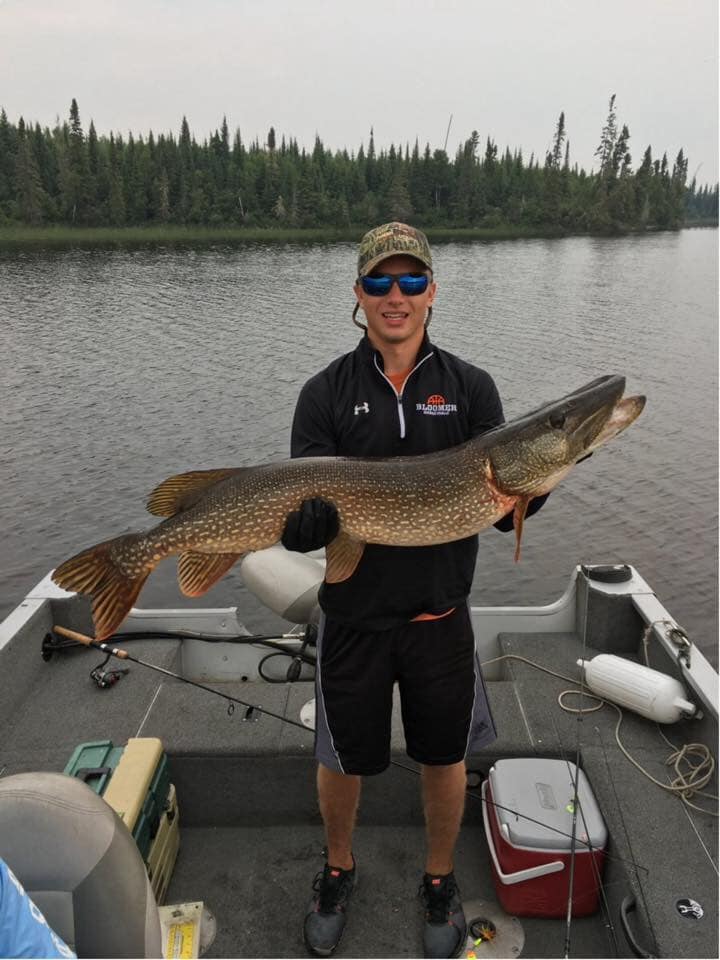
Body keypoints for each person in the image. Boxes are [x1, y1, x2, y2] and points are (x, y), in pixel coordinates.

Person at [282, 222, 547, 959]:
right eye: (377, 282)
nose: (393, 297)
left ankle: (438, 880)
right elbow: (309, 505)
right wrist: (302, 527)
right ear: (359, 296)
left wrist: (533, 492)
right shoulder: (324, 393)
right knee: (340, 759)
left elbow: (502, 504)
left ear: (431, 291)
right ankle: (338, 869)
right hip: (354, 618)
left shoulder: (470, 389)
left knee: (444, 755)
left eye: (408, 281)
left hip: (440, 618)